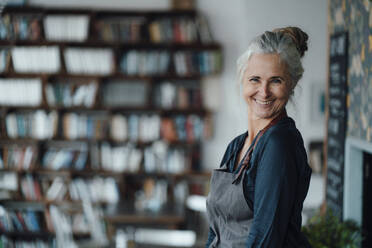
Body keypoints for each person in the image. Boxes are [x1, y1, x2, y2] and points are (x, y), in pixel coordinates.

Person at [205, 27, 312, 248]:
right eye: (255, 79)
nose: (264, 92)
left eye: (276, 81)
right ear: (242, 80)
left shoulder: (279, 144)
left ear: (291, 84)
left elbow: (265, 238)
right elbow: (215, 230)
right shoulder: (237, 146)